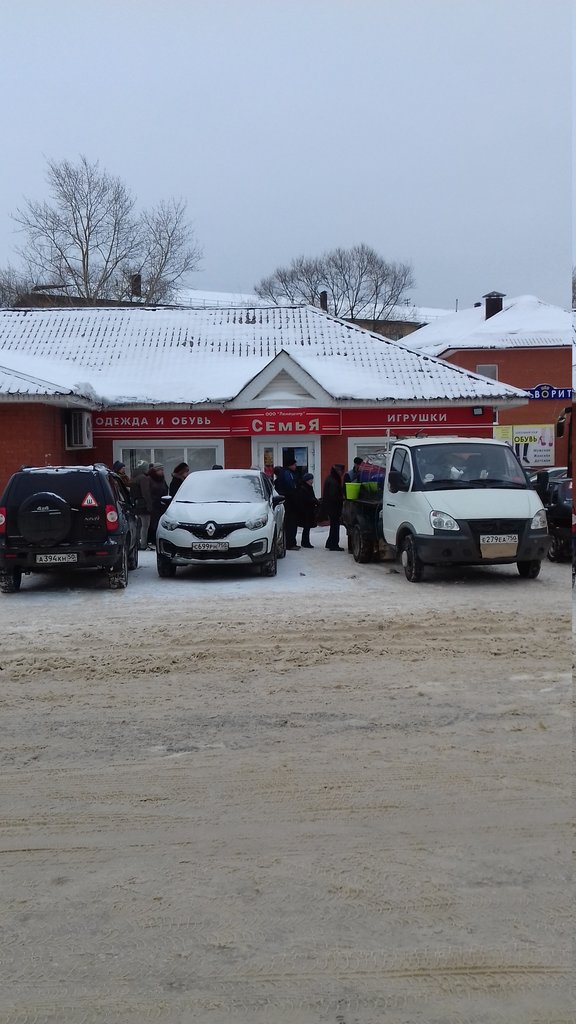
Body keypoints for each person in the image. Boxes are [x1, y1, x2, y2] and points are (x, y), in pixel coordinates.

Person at [140, 463, 168, 548]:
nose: (162, 472)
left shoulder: (162, 480)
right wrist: (150, 503)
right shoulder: (148, 479)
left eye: (162, 470)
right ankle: (150, 540)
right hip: (153, 505)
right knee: (152, 524)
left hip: (161, 505)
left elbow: (165, 489)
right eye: (160, 470)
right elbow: (146, 493)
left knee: (159, 523)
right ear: (155, 470)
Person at [274, 457, 300, 550]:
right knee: (291, 523)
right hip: (290, 503)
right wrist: (295, 499)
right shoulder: (288, 474)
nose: (296, 466)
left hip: (287, 502)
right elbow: (292, 489)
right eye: (294, 464)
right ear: (290, 465)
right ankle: (290, 543)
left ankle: (289, 542)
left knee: (288, 523)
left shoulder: (284, 474)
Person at [322, 463, 345, 550]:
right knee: (335, 526)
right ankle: (334, 544)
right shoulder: (333, 481)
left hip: (331, 507)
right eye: (342, 471)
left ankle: (330, 542)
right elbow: (333, 496)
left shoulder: (331, 478)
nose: (342, 473)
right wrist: (341, 498)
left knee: (333, 526)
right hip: (334, 507)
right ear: (338, 471)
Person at [129, 462, 151, 550]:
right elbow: (146, 493)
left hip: (136, 504)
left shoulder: (134, 478)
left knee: (137, 526)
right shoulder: (143, 478)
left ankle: (136, 543)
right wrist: (149, 504)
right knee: (145, 526)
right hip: (143, 505)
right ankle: (143, 544)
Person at [298, 472, 319, 548]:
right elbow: (306, 499)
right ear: (307, 480)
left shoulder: (308, 487)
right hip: (306, 510)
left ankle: (306, 542)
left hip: (309, 509)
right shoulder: (304, 488)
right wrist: (314, 501)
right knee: (306, 527)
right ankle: (305, 542)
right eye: (311, 479)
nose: (312, 481)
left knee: (307, 527)